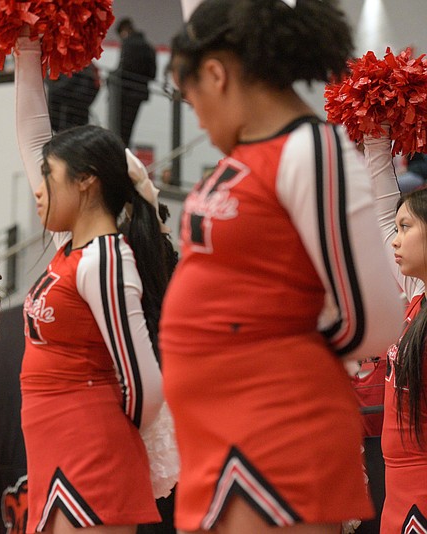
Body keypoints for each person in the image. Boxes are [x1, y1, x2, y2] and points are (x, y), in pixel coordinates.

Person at [160, 1, 404, 533]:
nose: (195, 115)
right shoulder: (245, 156)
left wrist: (260, 352)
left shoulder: (310, 149)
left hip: (276, 430)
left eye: (190, 95)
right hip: (218, 433)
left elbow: (378, 318)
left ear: (217, 74)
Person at [15, 32, 168, 533]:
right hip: (54, 452)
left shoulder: (105, 258)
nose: (39, 192)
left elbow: (143, 383)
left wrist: (100, 430)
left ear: (86, 181)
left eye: (49, 178)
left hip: (92, 453)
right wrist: (26, 49)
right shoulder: (73, 248)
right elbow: (34, 133)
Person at [364, 129, 427, 533]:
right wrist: (374, 134)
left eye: (406, 229)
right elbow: (383, 211)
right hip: (396, 484)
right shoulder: (417, 294)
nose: (394, 241)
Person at [108, 19, 157, 147]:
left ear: (124, 31)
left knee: (118, 130)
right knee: (128, 130)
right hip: (139, 93)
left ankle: (119, 154)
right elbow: (152, 73)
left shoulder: (128, 44)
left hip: (124, 93)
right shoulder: (148, 46)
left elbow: (122, 69)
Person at [46, 63, 100, 132]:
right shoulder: (87, 64)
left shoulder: (71, 64)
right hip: (78, 113)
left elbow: (59, 89)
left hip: (64, 114)